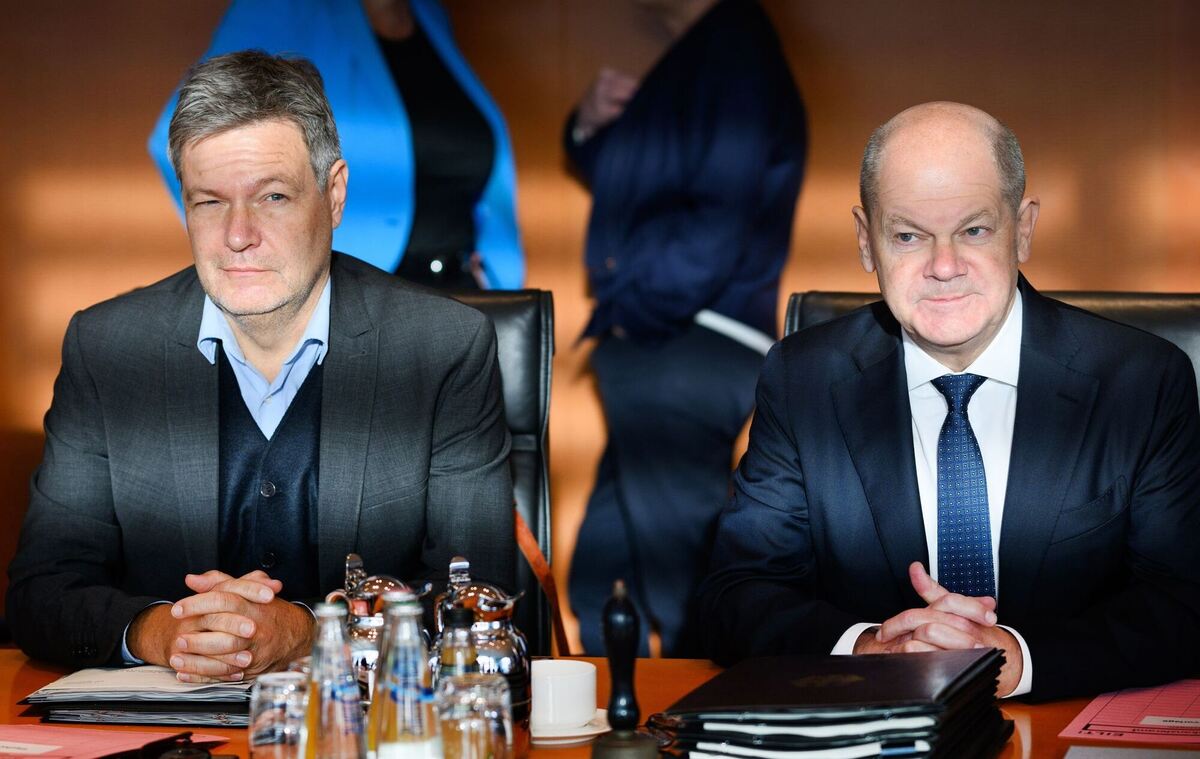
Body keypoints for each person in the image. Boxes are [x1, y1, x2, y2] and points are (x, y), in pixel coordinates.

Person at [7, 51, 515, 682]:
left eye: (272, 197)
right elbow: (41, 592)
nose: (237, 234)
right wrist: (161, 632)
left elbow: (476, 594)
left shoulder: (441, 348)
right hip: (163, 722)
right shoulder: (108, 348)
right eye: (209, 201)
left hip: (360, 723)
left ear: (333, 196)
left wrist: (310, 633)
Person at [698, 101, 1200, 700]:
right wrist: (871, 650)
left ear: (1024, 229)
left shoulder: (1140, 381)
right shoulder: (802, 379)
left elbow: (1184, 599)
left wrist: (1018, 660)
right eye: (908, 235)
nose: (943, 266)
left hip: (1061, 716)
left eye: (974, 231)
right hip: (881, 721)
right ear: (866, 242)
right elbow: (737, 593)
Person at [565, 0, 807, 656]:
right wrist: (586, 127)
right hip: (676, 340)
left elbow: (720, 212)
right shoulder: (714, 50)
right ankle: (610, 708)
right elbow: (637, 181)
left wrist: (639, 311)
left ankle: (707, 713)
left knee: (686, 599)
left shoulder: (733, 45)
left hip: (685, 343)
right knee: (602, 579)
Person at [148, 0, 523, 290]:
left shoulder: (428, 14)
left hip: (462, 292)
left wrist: (495, 273)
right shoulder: (282, 8)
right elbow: (182, 134)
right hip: (355, 300)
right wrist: (265, 255)